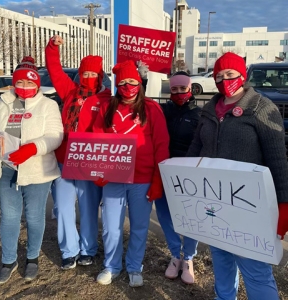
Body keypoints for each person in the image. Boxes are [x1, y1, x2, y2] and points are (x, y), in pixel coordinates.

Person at [187, 52, 288, 300]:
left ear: (242, 75)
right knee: (221, 260)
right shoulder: (209, 109)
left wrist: (283, 203)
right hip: (214, 200)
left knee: (254, 268)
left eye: (230, 74)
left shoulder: (262, 108)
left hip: (249, 206)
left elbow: (277, 159)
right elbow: (196, 147)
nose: (224, 80)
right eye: (219, 76)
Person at [93, 60, 169, 287]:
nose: (128, 86)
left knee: (139, 226)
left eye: (132, 81)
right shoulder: (108, 108)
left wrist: (157, 180)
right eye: (123, 82)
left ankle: (135, 266)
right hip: (113, 178)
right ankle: (112, 265)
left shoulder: (152, 109)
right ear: (117, 85)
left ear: (140, 82)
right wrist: (98, 169)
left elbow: (162, 145)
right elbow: (97, 139)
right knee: (110, 226)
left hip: (142, 180)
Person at [0, 56, 63, 284]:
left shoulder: (48, 105)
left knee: (33, 216)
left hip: (37, 169)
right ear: (14, 83)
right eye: (20, 83)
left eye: (30, 84)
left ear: (37, 84)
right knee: (9, 217)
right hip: (8, 168)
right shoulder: (2, 104)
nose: (25, 88)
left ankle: (32, 258)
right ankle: (9, 261)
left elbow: (55, 137)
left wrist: (32, 148)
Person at [45, 35, 112, 270]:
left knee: (87, 207)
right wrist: (53, 48)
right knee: (63, 207)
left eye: (93, 74)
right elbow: (54, 70)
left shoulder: (106, 100)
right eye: (85, 73)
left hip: (88, 163)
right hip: (64, 160)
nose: (88, 77)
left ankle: (88, 249)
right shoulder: (70, 92)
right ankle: (68, 250)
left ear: (100, 76)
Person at [155, 71, 200, 284]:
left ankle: (189, 257)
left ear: (190, 89)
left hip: (188, 174)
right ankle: (175, 255)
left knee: (191, 217)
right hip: (164, 171)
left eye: (183, 88)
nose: (179, 92)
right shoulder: (162, 110)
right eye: (174, 89)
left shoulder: (200, 115)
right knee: (165, 214)